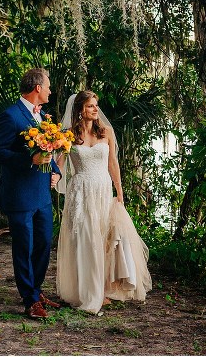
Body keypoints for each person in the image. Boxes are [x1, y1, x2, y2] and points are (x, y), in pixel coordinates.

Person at [55, 90, 152, 315]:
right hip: (80, 191)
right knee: (85, 240)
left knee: (103, 240)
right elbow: (59, 164)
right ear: (80, 109)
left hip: (102, 190)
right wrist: (54, 176)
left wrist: (119, 191)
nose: (95, 110)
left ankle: (102, 289)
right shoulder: (69, 135)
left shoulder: (106, 132)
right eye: (90, 106)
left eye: (96, 105)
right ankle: (87, 293)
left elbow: (113, 164)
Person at [0, 68, 63, 319]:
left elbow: (49, 150)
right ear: (37, 88)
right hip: (19, 194)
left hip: (42, 193)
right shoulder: (10, 116)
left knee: (43, 243)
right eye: (49, 86)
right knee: (24, 246)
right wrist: (28, 159)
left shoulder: (43, 116)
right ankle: (29, 299)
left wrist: (56, 172)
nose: (51, 90)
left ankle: (37, 289)